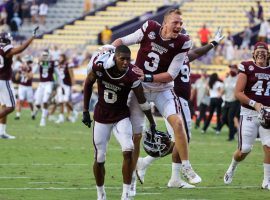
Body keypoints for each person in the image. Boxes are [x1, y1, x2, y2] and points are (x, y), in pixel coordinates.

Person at [111, 8, 197, 194]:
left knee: (178, 124)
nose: (179, 26)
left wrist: (147, 77)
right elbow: (124, 41)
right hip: (138, 90)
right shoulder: (150, 27)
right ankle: (131, 181)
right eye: (175, 22)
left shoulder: (183, 42)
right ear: (165, 22)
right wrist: (110, 49)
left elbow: (171, 75)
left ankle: (187, 167)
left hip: (162, 90)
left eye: (181, 23)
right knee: (136, 137)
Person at [135, 28, 224, 188]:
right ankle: (168, 173)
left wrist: (213, 43)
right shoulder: (169, 57)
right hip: (174, 98)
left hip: (182, 101)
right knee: (182, 139)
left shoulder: (184, 57)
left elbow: (197, 52)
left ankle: (151, 166)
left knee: (179, 140)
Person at [82, 45, 156, 200]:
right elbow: (88, 84)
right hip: (102, 116)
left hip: (121, 116)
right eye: (122, 58)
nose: (125, 62)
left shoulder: (131, 76)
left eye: (128, 59)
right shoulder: (100, 66)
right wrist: (85, 111)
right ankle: (101, 194)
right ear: (115, 58)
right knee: (100, 158)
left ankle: (126, 194)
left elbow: (142, 101)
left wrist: (152, 122)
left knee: (128, 149)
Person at [224, 42, 270, 190]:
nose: (261, 53)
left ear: (268, 54)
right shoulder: (247, 67)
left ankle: (266, 180)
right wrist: (255, 104)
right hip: (249, 113)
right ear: (253, 54)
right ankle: (232, 167)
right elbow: (238, 93)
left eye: (264, 51)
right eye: (259, 51)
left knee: (269, 147)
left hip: (268, 113)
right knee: (244, 150)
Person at [0, 27, 38, 139]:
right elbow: (20, 49)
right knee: (11, 107)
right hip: (3, 81)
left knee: (4, 105)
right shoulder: (6, 50)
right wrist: (32, 37)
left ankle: (2, 132)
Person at [34, 49, 59, 126]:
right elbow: (34, 71)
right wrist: (37, 63)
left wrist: (58, 84)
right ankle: (41, 112)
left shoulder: (52, 63)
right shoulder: (40, 63)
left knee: (45, 101)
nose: (44, 57)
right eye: (43, 55)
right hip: (41, 84)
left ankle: (43, 119)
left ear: (49, 56)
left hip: (49, 83)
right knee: (37, 103)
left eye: (46, 55)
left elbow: (57, 74)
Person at [219, 64, 240, 141]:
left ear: (237, 70)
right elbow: (223, 89)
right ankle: (234, 130)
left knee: (231, 119)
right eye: (231, 68)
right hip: (227, 101)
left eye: (233, 68)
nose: (232, 70)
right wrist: (220, 94)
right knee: (224, 118)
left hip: (235, 101)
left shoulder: (239, 79)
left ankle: (231, 137)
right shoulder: (226, 79)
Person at [55, 53, 76, 123]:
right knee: (60, 101)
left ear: (64, 58)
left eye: (61, 57)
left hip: (67, 85)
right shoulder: (58, 65)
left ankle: (74, 112)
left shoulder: (68, 65)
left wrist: (73, 85)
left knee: (66, 101)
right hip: (60, 85)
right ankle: (61, 117)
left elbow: (72, 75)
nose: (59, 59)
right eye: (59, 57)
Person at [14, 55, 35, 120]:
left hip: (28, 87)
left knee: (30, 102)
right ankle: (18, 115)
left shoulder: (31, 67)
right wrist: (20, 72)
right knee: (20, 100)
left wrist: (26, 71)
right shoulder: (21, 67)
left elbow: (30, 77)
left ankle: (32, 113)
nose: (27, 63)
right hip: (22, 86)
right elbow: (16, 78)